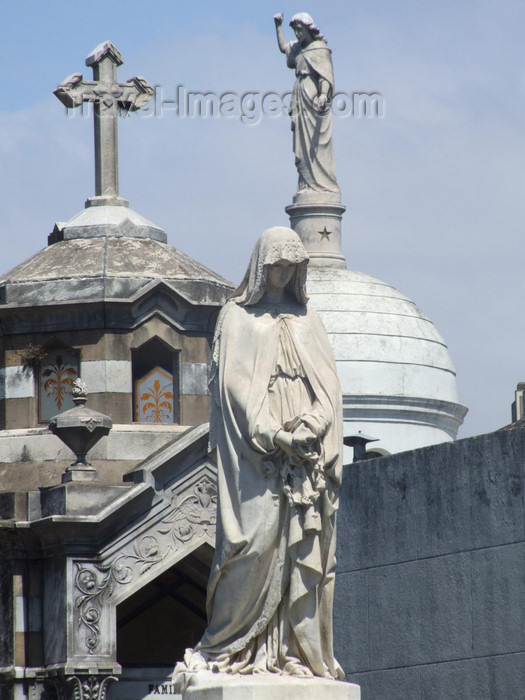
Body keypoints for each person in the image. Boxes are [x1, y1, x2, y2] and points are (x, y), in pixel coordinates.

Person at [176, 227, 344, 681]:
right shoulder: (236, 317)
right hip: (258, 456)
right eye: (276, 265)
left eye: (292, 265)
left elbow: (329, 388)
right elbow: (233, 388)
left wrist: (313, 425)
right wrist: (274, 434)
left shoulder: (308, 318)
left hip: (306, 459)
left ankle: (296, 651)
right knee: (250, 543)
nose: (283, 273)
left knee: (304, 553)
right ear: (260, 266)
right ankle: (227, 645)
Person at [274, 12, 340, 196]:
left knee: (315, 142)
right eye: (294, 30)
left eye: (299, 29)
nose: (296, 33)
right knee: (301, 145)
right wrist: (278, 26)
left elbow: (325, 76)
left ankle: (321, 184)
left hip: (313, 99)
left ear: (308, 28)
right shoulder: (298, 49)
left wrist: (323, 95)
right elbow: (283, 48)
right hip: (300, 96)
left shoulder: (320, 49)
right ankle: (306, 183)